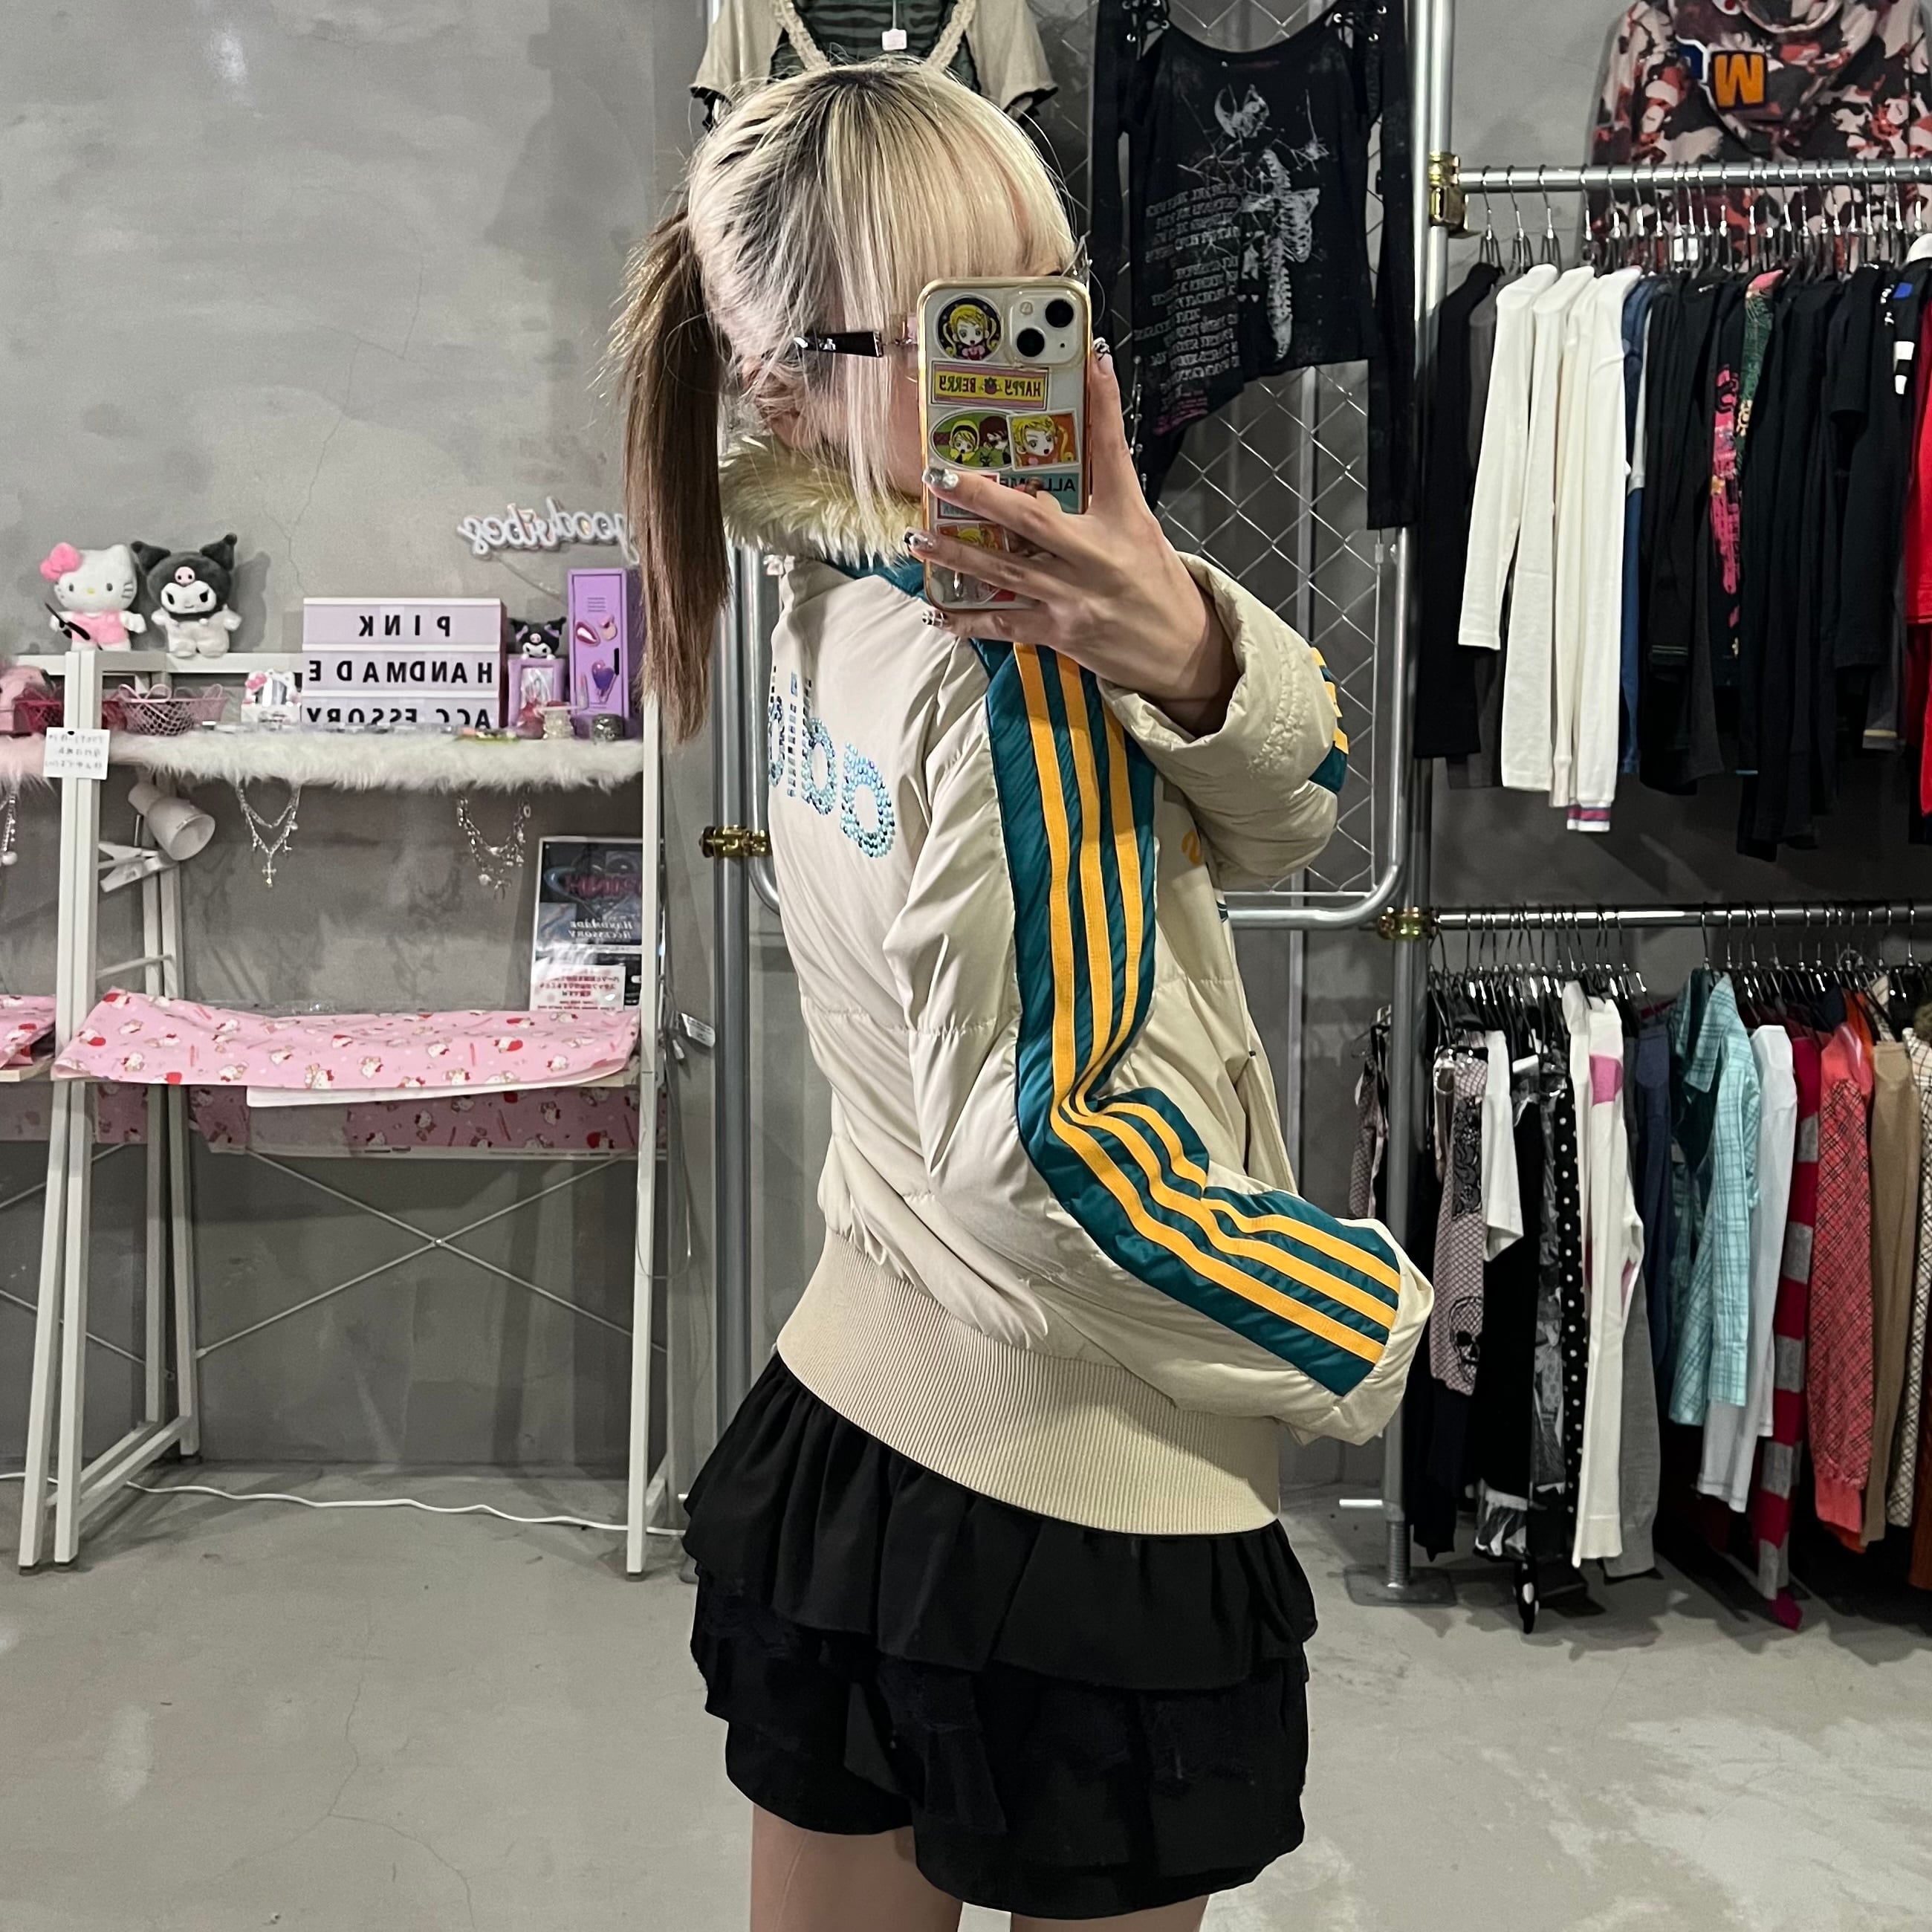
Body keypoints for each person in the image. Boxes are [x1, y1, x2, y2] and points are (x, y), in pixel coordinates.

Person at [613, 59, 1431, 1932]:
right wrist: (1363, 1317)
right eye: (954, 330)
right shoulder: (998, 652)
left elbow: (1283, 817)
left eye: (1049, 297)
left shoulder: (828, 568)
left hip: (852, 1422)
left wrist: (1189, 645)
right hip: (1076, 1479)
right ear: (784, 382)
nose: (1034, 361)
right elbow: (1049, 1153)